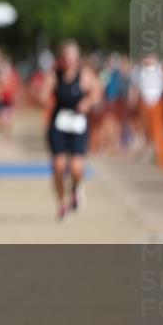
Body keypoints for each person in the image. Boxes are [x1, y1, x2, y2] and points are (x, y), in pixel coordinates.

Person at [40, 40, 101, 220]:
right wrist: (43, 94)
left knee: (76, 167)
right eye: (66, 59)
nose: (69, 63)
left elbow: (97, 93)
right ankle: (62, 204)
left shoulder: (85, 75)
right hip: (58, 124)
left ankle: (76, 187)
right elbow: (42, 96)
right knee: (58, 165)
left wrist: (87, 102)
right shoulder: (54, 75)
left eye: (72, 59)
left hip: (78, 124)